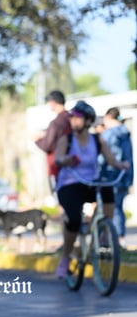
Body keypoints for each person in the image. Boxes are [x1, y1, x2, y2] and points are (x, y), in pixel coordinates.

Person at [52, 100, 130, 278]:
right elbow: (57, 158)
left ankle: (104, 231)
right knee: (73, 220)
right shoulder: (67, 139)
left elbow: (111, 160)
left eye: (77, 118)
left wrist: (121, 165)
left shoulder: (97, 139)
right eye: (72, 117)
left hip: (90, 183)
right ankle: (65, 257)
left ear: (88, 121)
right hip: (70, 184)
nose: (73, 121)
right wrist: (65, 160)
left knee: (107, 188)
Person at [99, 107, 133, 243]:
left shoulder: (110, 134)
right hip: (124, 176)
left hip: (110, 177)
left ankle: (112, 240)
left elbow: (105, 158)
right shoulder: (125, 133)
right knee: (118, 207)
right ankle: (120, 237)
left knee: (110, 208)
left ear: (108, 117)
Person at [34, 90, 71, 190]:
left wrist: (37, 140)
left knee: (60, 199)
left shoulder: (56, 123)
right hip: (74, 166)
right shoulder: (72, 119)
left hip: (57, 167)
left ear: (53, 102)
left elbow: (47, 145)